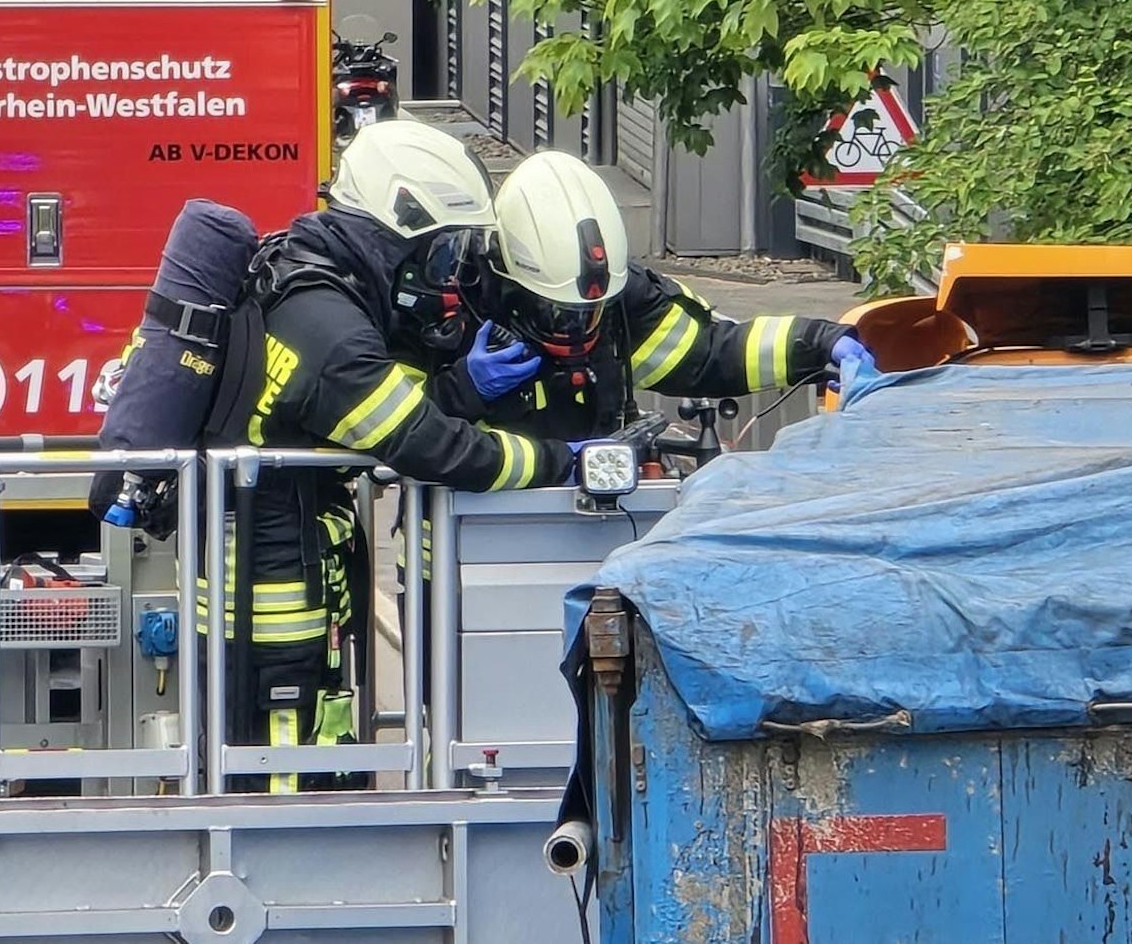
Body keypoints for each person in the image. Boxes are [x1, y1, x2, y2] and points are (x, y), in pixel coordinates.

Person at [212, 120, 578, 792]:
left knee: (297, 736)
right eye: (440, 255)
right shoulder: (332, 333)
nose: (448, 278)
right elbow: (430, 446)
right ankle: (286, 854)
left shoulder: (308, 280)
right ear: (391, 231)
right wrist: (559, 461)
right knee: (281, 766)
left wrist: (463, 387)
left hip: (276, 566)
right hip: (277, 594)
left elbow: (371, 418)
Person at [432, 150, 873, 439]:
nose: (577, 326)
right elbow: (403, 428)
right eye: (558, 311)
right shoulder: (452, 304)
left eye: (590, 312)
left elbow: (709, 355)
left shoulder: (625, 302)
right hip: (469, 528)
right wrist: (462, 389)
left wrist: (821, 344)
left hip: (599, 519)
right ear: (513, 279)